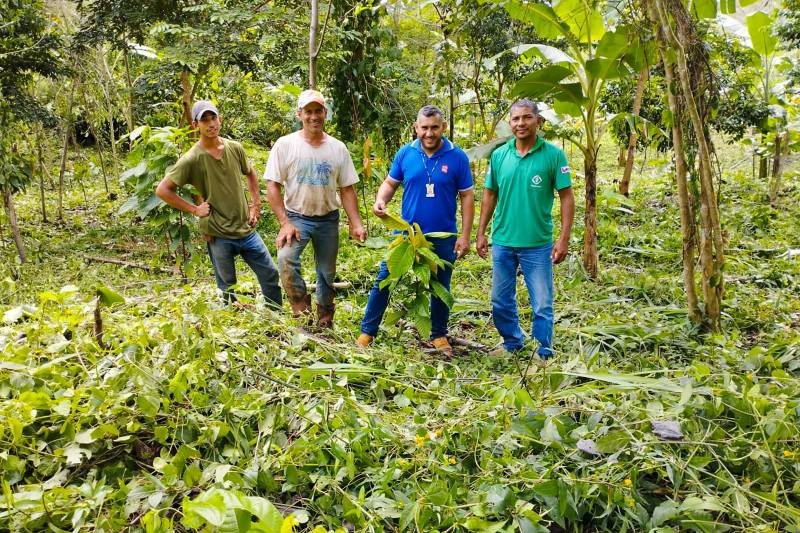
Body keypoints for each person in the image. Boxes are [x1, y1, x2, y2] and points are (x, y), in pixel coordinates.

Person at [357, 105, 474, 355]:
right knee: (385, 280)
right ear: (416, 127)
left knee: (440, 285)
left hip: (442, 236)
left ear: (443, 127)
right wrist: (381, 200)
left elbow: (466, 196)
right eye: (424, 128)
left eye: (434, 127)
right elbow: (390, 183)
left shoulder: (457, 157)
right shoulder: (406, 153)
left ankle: (439, 334)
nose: (429, 133)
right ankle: (367, 332)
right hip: (406, 235)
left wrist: (465, 235)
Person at [156, 100, 282, 308]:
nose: (211, 123)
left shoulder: (234, 148)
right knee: (227, 286)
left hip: (246, 229)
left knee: (269, 273)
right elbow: (162, 190)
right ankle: (231, 327)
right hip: (218, 233)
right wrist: (195, 210)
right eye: (204, 120)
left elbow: (250, 173)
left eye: (213, 118)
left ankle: (275, 317)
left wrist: (255, 205)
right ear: (196, 125)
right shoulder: (192, 159)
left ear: (220, 119)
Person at [476, 99, 574, 359]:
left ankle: (543, 350)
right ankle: (512, 341)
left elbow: (566, 197)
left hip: (538, 243)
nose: (521, 123)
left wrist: (563, 239)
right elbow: (489, 194)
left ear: (538, 121)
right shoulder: (499, 155)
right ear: (510, 123)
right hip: (503, 241)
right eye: (516, 119)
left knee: (542, 302)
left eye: (527, 117)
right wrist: (481, 231)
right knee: (499, 300)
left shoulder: (553, 155)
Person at [264, 89, 367, 329]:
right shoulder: (285, 145)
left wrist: (356, 223)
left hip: (327, 219)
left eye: (318, 111)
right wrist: (284, 222)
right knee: (286, 260)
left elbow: (347, 188)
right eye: (308, 111)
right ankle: (301, 312)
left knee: (326, 274)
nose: (313, 116)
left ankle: (324, 322)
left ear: (325, 113)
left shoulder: (337, 148)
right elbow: (273, 185)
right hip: (296, 218)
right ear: (299, 114)